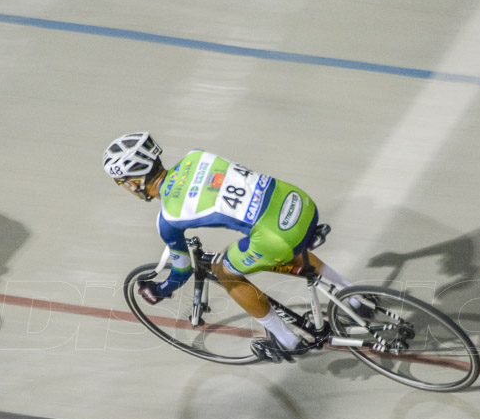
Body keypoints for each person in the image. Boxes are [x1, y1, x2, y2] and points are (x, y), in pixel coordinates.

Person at [103, 132, 356, 362]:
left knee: (224, 270)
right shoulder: (195, 156)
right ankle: (353, 296)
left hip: (277, 235)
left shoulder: (168, 218)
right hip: (299, 201)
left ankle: (286, 340)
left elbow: (182, 271)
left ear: (135, 181)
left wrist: (160, 290)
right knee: (275, 243)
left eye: (123, 182)